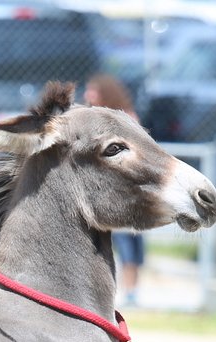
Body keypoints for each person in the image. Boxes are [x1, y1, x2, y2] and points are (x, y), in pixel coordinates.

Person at [84, 74, 145, 304]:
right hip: (107, 193)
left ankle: (131, 291)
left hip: (128, 193)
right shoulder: (92, 117)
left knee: (130, 243)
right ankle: (119, 291)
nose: (88, 95)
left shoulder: (126, 118)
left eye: (93, 90)